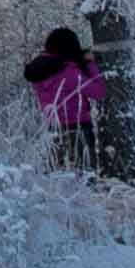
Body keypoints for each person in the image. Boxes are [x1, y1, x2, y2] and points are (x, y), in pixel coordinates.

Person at [20, 24, 106, 173]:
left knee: (59, 177)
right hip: (78, 128)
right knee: (85, 176)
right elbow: (98, 92)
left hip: (53, 129)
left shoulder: (39, 70)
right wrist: (89, 63)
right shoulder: (68, 71)